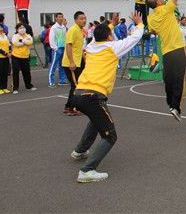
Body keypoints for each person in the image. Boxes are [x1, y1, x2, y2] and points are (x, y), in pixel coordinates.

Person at [70, 12, 144, 183]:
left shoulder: (91, 46)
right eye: (111, 34)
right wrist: (139, 24)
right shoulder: (112, 47)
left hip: (78, 94)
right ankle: (87, 170)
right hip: (93, 96)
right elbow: (133, 39)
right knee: (110, 136)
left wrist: (110, 24)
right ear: (110, 37)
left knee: (96, 121)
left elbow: (99, 35)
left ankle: (80, 150)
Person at [146, 0, 186, 121]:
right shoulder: (167, 9)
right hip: (178, 48)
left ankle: (171, 104)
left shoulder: (150, 18)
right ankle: (176, 107)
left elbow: (153, 31)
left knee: (168, 79)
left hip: (166, 51)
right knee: (179, 79)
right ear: (159, 3)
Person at [62, 11, 87, 115]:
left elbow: (79, 47)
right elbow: (69, 45)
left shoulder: (80, 31)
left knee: (75, 85)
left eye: (85, 18)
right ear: (76, 20)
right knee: (77, 86)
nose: (84, 20)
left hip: (77, 62)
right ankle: (73, 108)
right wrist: (71, 62)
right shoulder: (72, 30)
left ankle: (68, 106)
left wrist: (84, 57)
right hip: (71, 63)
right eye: (81, 18)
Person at [11, 23, 36, 93]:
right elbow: (16, 44)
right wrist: (24, 42)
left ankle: (28, 86)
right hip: (16, 56)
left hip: (25, 56)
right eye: (20, 28)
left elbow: (30, 42)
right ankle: (15, 88)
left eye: (23, 27)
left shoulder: (28, 36)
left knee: (27, 72)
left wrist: (22, 41)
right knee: (15, 72)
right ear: (17, 29)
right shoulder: (15, 36)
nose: (22, 29)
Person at [48, 13, 67, 87]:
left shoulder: (63, 27)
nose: (61, 18)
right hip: (57, 48)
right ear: (56, 18)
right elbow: (51, 38)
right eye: (59, 17)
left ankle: (62, 80)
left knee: (62, 65)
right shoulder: (54, 28)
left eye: (62, 17)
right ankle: (51, 82)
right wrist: (54, 48)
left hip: (63, 48)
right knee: (53, 65)